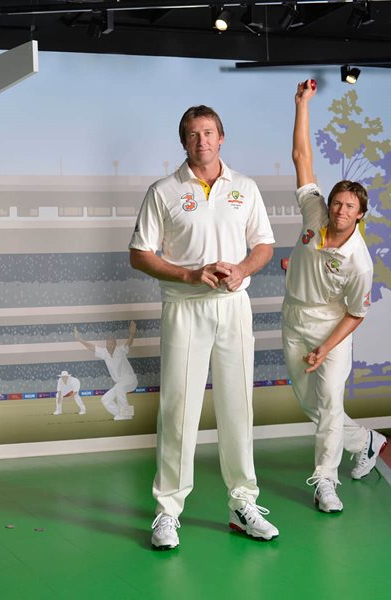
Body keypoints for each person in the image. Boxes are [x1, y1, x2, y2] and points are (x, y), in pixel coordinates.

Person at [129, 105, 278, 550]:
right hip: (185, 308)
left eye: (209, 133)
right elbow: (140, 253)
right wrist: (192, 275)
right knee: (178, 411)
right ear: (184, 141)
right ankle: (167, 512)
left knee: (238, 407)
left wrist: (242, 269)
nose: (202, 141)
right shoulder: (163, 191)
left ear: (222, 137)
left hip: (233, 306)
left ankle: (242, 503)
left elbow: (264, 245)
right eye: (193, 135)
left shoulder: (245, 188)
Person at [284, 79, 385, 513]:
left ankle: (326, 483)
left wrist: (325, 347)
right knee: (310, 405)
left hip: (333, 327)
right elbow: (302, 156)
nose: (340, 210)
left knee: (328, 405)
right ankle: (366, 441)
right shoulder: (315, 213)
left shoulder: (360, 263)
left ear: (360, 217)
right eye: (337, 203)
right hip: (294, 319)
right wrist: (302, 104)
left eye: (349, 207)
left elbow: (355, 314)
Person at [74, 322, 137, 420]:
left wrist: (132, 334)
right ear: (106, 344)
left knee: (120, 388)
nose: (110, 345)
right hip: (120, 383)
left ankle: (126, 415)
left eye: (112, 343)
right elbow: (90, 347)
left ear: (115, 344)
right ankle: (123, 413)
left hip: (130, 379)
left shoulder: (121, 350)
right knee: (105, 399)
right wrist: (79, 339)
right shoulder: (104, 353)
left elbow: (129, 343)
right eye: (108, 343)